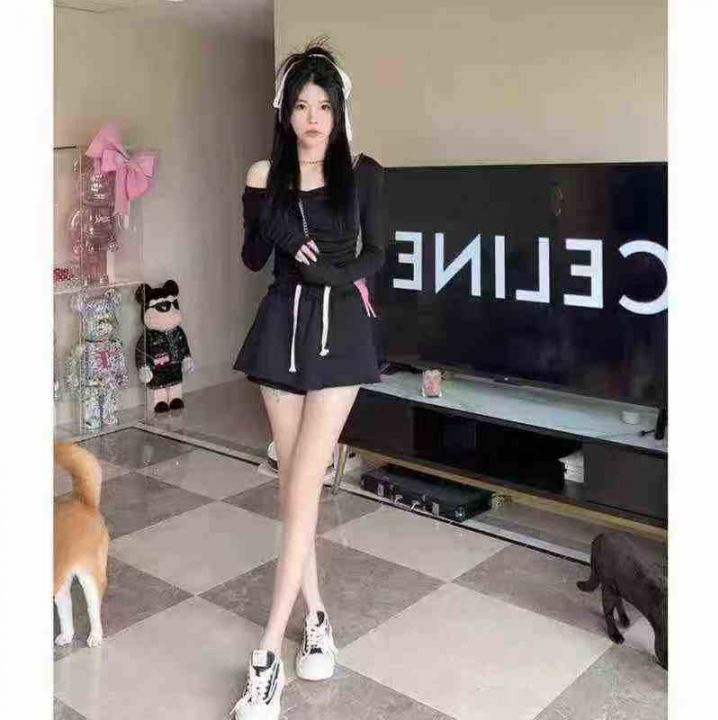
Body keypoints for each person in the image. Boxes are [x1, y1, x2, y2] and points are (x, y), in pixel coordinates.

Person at [230, 39, 386, 719]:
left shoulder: (363, 173)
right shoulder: (267, 172)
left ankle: (268, 652)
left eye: (324, 105)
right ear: (285, 113)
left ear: (340, 110)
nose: (313, 117)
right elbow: (251, 256)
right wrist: (268, 213)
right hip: (280, 331)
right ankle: (316, 617)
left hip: (340, 334)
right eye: (301, 105)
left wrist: (325, 270)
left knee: (302, 485)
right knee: (295, 490)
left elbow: (376, 253)